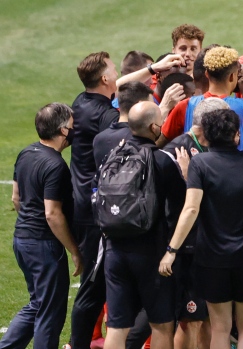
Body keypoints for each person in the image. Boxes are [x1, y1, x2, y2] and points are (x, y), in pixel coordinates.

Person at [159, 108, 243, 349]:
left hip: (212, 257)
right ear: (236, 135)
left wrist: (172, 249)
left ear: (207, 136)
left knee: (220, 327)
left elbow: (190, 209)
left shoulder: (200, 163)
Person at [103, 101, 186, 349]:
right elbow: (182, 206)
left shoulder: (113, 155)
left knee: (116, 328)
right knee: (161, 324)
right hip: (152, 252)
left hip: (114, 250)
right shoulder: (161, 160)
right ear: (153, 127)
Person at [0, 103, 82, 349]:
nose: (75, 128)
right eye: (72, 125)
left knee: (38, 303)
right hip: (43, 245)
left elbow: (16, 197)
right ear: (62, 131)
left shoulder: (26, 153)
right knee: (50, 312)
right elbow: (52, 214)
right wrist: (74, 251)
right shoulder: (55, 165)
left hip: (22, 239)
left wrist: (28, 223)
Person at [68, 51, 119, 349]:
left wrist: (152, 68)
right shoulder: (106, 115)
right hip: (95, 211)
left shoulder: (82, 101)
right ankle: (78, 344)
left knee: (97, 283)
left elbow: (119, 84)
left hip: (83, 205)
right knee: (93, 287)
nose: (116, 72)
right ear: (104, 78)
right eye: (112, 69)